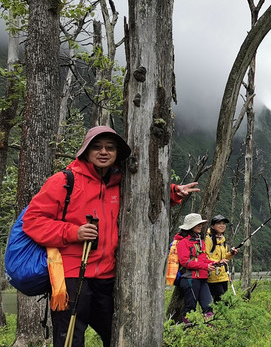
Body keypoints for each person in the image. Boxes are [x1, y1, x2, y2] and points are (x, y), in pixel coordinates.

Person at [22, 125, 198, 346]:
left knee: (115, 334)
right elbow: (33, 221)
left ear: (117, 153)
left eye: (110, 148)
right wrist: (73, 232)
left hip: (108, 277)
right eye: (96, 147)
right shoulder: (64, 181)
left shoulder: (121, 182)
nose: (103, 152)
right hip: (71, 275)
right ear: (86, 150)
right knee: (69, 339)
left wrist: (173, 192)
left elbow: (144, 197)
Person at [175, 213, 217, 324]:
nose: (200, 226)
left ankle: (209, 331)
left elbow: (203, 259)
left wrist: (216, 263)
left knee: (208, 306)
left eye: (200, 224)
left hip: (202, 278)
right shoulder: (183, 243)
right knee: (190, 308)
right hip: (190, 279)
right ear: (190, 227)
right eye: (197, 224)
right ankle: (189, 332)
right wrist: (206, 266)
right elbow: (185, 262)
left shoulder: (200, 241)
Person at [205, 214, 238, 303]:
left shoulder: (222, 239)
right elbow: (205, 257)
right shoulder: (208, 239)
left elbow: (224, 258)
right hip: (213, 277)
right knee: (220, 302)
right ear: (212, 226)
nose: (222, 225)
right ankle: (214, 316)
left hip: (223, 276)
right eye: (219, 223)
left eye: (223, 223)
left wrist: (230, 254)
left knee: (225, 300)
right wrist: (218, 262)